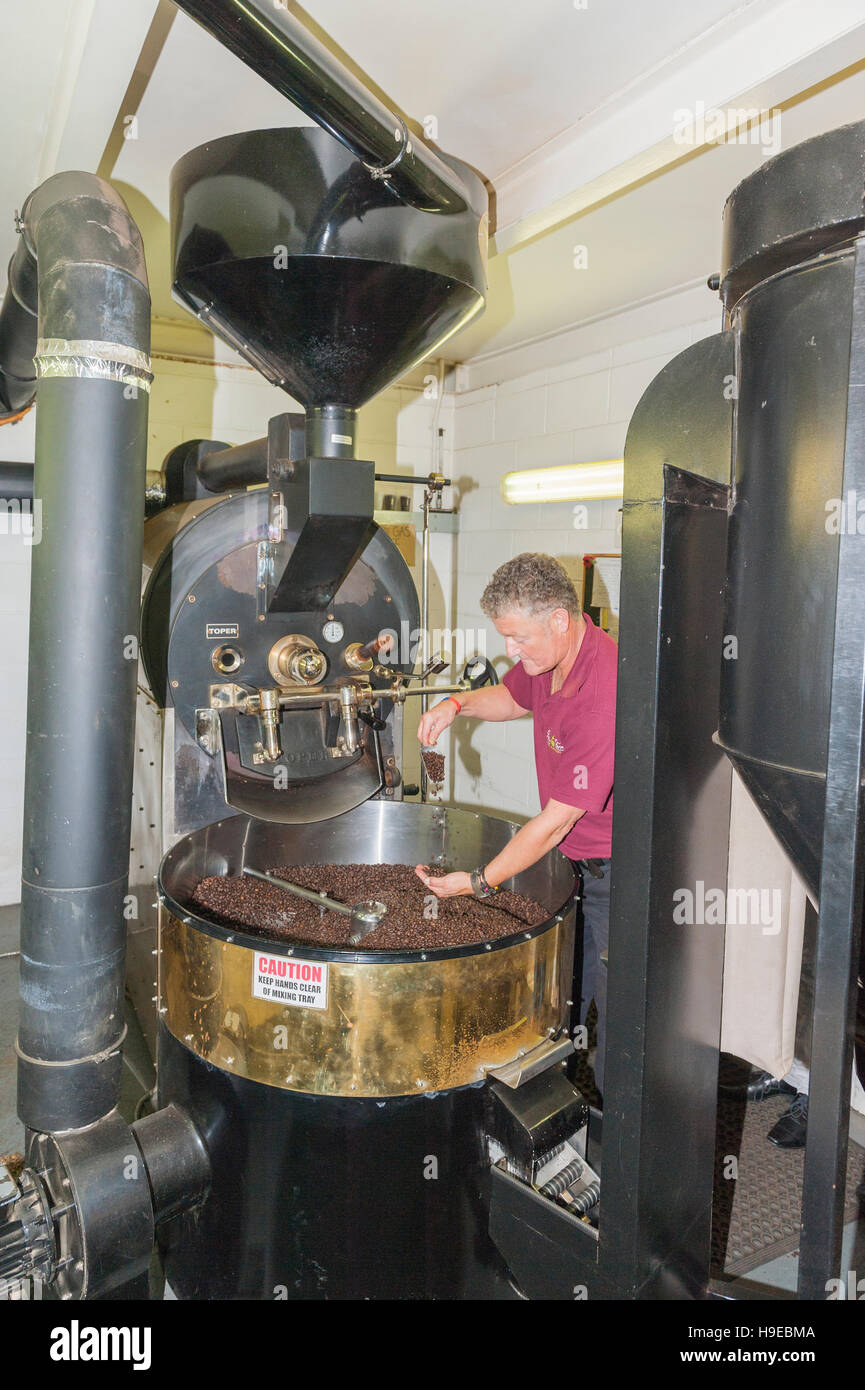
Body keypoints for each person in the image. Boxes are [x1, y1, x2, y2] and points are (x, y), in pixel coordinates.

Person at [415, 553, 617, 1097]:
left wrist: (478, 882)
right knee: (565, 988)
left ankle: (614, 1135)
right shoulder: (547, 663)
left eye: (518, 638)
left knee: (617, 1011)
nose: (510, 650)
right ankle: (562, 1098)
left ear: (558, 620)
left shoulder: (603, 692)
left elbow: (553, 824)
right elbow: (509, 698)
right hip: (572, 861)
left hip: (615, 872)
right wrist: (455, 704)